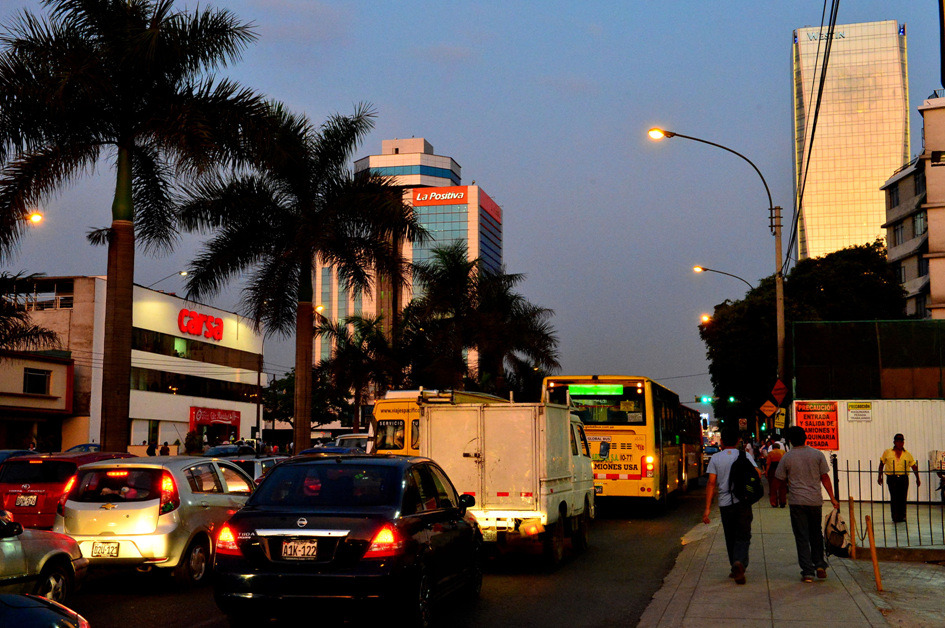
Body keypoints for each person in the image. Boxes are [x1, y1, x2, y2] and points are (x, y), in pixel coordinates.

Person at [775, 426, 840, 583]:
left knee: (801, 536)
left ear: (790, 441)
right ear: (805, 437)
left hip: (797, 502)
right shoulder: (817, 454)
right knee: (816, 534)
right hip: (814, 501)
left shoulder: (787, 457)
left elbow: (780, 479)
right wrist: (832, 497)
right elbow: (825, 477)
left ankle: (808, 571)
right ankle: (819, 564)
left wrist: (776, 497)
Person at [702, 426, 760, 585]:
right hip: (743, 502)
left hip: (725, 503)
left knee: (730, 535)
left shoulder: (716, 458)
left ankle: (734, 564)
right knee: (744, 534)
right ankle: (740, 562)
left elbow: (711, 483)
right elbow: (758, 474)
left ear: (721, 441)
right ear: (738, 441)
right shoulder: (745, 455)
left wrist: (707, 509)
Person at [877, 433, 920, 523]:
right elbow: (881, 464)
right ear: (894, 442)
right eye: (898, 441)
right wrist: (879, 476)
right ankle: (895, 516)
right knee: (894, 497)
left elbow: (913, 466)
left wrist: (917, 478)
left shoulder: (907, 454)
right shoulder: (887, 452)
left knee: (903, 497)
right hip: (891, 478)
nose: (900, 443)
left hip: (903, 478)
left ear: (903, 442)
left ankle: (903, 516)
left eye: (901, 441)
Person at [766, 443, 787, 507]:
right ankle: (783, 501)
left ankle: (774, 502)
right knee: (782, 487)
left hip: (773, 470)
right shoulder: (783, 452)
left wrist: (767, 472)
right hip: (782, 469)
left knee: (773, 487)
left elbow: (768, 464)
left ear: (772, 447)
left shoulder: (771, 453)